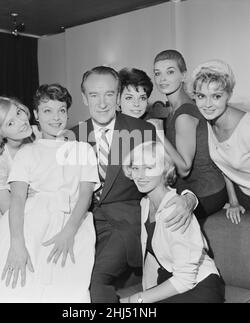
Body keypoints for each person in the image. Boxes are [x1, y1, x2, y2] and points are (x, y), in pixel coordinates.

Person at [0, 84, 99, 302]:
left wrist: (69, 229)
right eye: (47, 111)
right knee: (12, 280)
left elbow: (84, 195)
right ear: (37, 114)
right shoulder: (5, 158)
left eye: (61, 110)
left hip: (68, 220)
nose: (56, 117)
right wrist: (17, 243)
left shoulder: (78, 149)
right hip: (17, 216)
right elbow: (14, 204)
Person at [70, 66, 198, 303]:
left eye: (109, 94)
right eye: (94, 95)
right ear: (84, 98)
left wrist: (189, 197)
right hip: (83, 224)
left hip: (123, 223)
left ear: (118, 97)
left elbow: (166, 178)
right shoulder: (73, 135)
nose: (102, 103)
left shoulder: (142, 130)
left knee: (96, 279)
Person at [120, 141, 224, 303]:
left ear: (163, 169)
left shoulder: (175, 209)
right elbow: (153, 254)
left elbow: (186, 279)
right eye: (135, 168)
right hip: (170, 279)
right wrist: (144, 293)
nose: (140, 175)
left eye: (149, 168)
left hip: (199, 285)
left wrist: (136, 299)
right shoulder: (145, 203)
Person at [153, 50, 227, 220]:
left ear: (183, 75)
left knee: (165, 219)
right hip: (191, 188)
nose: (162, 78)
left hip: (206, 191)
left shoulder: (184, 115)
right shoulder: (176, 109)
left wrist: (159, 134)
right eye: (158, 73)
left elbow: (184, 168)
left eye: (170, 72)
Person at [191, 59, 250, 224]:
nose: (207, 104)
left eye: (216, 96)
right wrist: (234, 200)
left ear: (228, 95)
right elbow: (224, 167)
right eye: (201, 96)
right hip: (244, 195)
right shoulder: (208, 122)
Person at [0, 97, 36, 256]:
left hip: (41, 208)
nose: (21, 121)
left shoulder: (38, 135)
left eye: (19, 113)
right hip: (11, 217)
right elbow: (7, 209)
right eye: (11, 123)